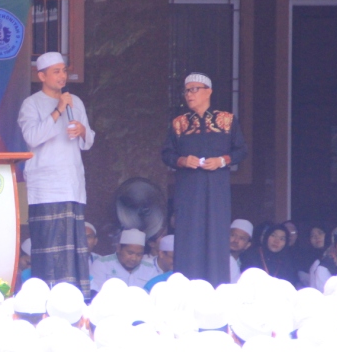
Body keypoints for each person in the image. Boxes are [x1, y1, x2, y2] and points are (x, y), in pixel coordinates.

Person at [18, 51, 95, 293]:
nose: (62, 76)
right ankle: (47, 294)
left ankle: (75, 295)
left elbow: (89, 141)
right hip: (46, 187)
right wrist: (59, 109)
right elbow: (32, 137)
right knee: (49, 245)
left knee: (73, 247)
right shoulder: (31, 104)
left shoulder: (76, 102)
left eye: (64, 71)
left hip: (71, 183)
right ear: (42, 76)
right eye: (56, 72)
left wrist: (83, 130)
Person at [161, 73, 247, 286]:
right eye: (186, 91)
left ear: (208, 91)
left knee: (216, 234)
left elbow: (241, 150)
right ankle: (187, 287)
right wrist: (182, 160)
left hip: (216, 188)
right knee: (188, 234)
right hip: (188, 188)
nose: (189, 95)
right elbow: (166, 154)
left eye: (194, 89)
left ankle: (216, 287)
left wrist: (221, 161)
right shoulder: (179, 123)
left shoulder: (227, 120)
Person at [90, 229, 159, 291]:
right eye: (130, 253)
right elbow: (96, 292)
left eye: (139, 254)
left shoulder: (151, 269)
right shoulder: (101, 265)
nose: (134, 258)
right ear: (119, 248)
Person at [228, 219, 253, 284]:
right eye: (233, 235)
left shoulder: (245, 265)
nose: (236, 240)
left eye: (242, 238)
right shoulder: (217, 258)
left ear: (247, 245)